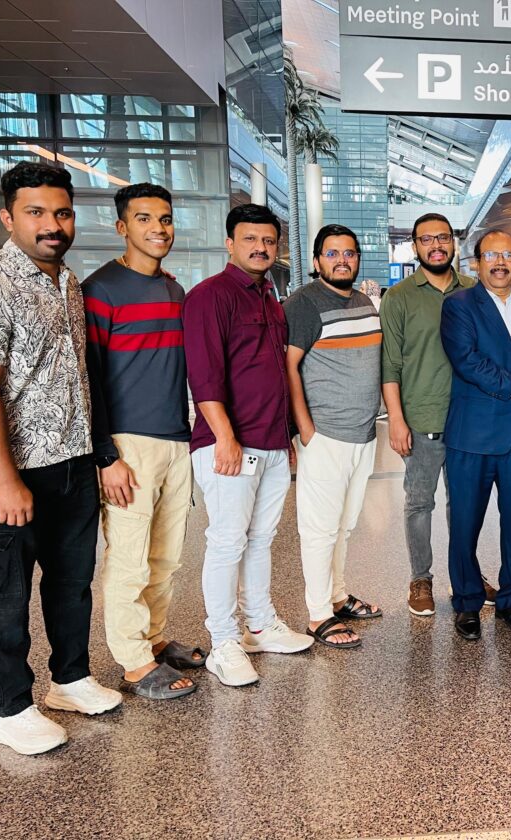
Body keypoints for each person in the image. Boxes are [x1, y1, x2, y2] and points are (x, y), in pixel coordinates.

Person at [0, 161, 121, 755]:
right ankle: (11, 708)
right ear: (8, 218)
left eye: (62, 212)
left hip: (69, 465)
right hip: (2, 476)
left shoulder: (66, 281)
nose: (52, 225)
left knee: (72, 584)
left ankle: (69, 679)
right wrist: (6, 480)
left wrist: (94, 456)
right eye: (36, 212)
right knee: (6, 594)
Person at [183, 203, 312, 687]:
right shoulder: (209, 297)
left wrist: (284, 438)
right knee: (226, 542)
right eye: (250, 239)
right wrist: (225, 437)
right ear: (230, 243)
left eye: (268, 241)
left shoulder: (269, 297)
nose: (261, 248)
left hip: (271, 442)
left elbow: (274, 371)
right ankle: (223, 642)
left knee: (261, 539)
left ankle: (259, 626)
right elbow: (204, 375)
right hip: (230, 444)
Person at [84, 183, 201, 701]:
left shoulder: (175, 291)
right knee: (129, 558)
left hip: (175, 438)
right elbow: (89, 377)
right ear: (122, 227)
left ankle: (153, 640)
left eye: (166, 219)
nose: (159, 228)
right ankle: (133, 662)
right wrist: (106, 455)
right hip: (128, 444)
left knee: (166, 557)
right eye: (145, 218)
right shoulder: (100, 290)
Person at [380, 213, 498, 617]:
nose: (436, 245)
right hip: (421, 418)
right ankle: (421, 578)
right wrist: (396, 419)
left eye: (443, 237)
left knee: (464, 504)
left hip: (469, 419)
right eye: (427, 239)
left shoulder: (475, 290)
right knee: (419, 503)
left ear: (454, 242)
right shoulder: (399, 297)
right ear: (415, 246)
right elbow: (390, 363)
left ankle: (466, 575)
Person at [441, 230, 511, 640]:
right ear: (476, 263)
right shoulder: (458, 305)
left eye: (507, 255)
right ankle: (467, 602)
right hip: (472, 435)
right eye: (491, 255)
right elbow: (467, 361)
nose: (500, 262)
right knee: (465, 525)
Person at [285, 225, 382, 650]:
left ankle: (338, 596)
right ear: (317, 260)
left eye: (349, 253)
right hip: (325, 435)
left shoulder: (363, 303)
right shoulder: (304, 303)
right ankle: (318, 614)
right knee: (320, 530)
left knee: (344, 526)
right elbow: (289, 366)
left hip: (364, 435)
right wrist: (305, 428)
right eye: (332, 253)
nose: (342, 260)